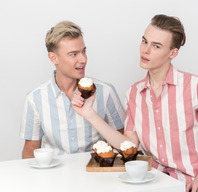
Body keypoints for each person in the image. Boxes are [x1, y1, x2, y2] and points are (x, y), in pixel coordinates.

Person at [72, 14, 198, 192]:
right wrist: (89, 114)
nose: (145, 50)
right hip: (154, 182)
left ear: (172, 53)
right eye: (144, 41)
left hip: (193, 183)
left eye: (156, 46)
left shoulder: (195, 85)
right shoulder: (133, 93)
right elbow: (129, 145)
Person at [20, 21, 125, 159]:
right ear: (53, 58)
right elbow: (30, 149)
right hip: (55, 177)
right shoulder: (35, 99)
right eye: (74, 54)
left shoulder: (106, 92)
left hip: (97, 175)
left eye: (84, 51)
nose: (83, 59)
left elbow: (124, 144)